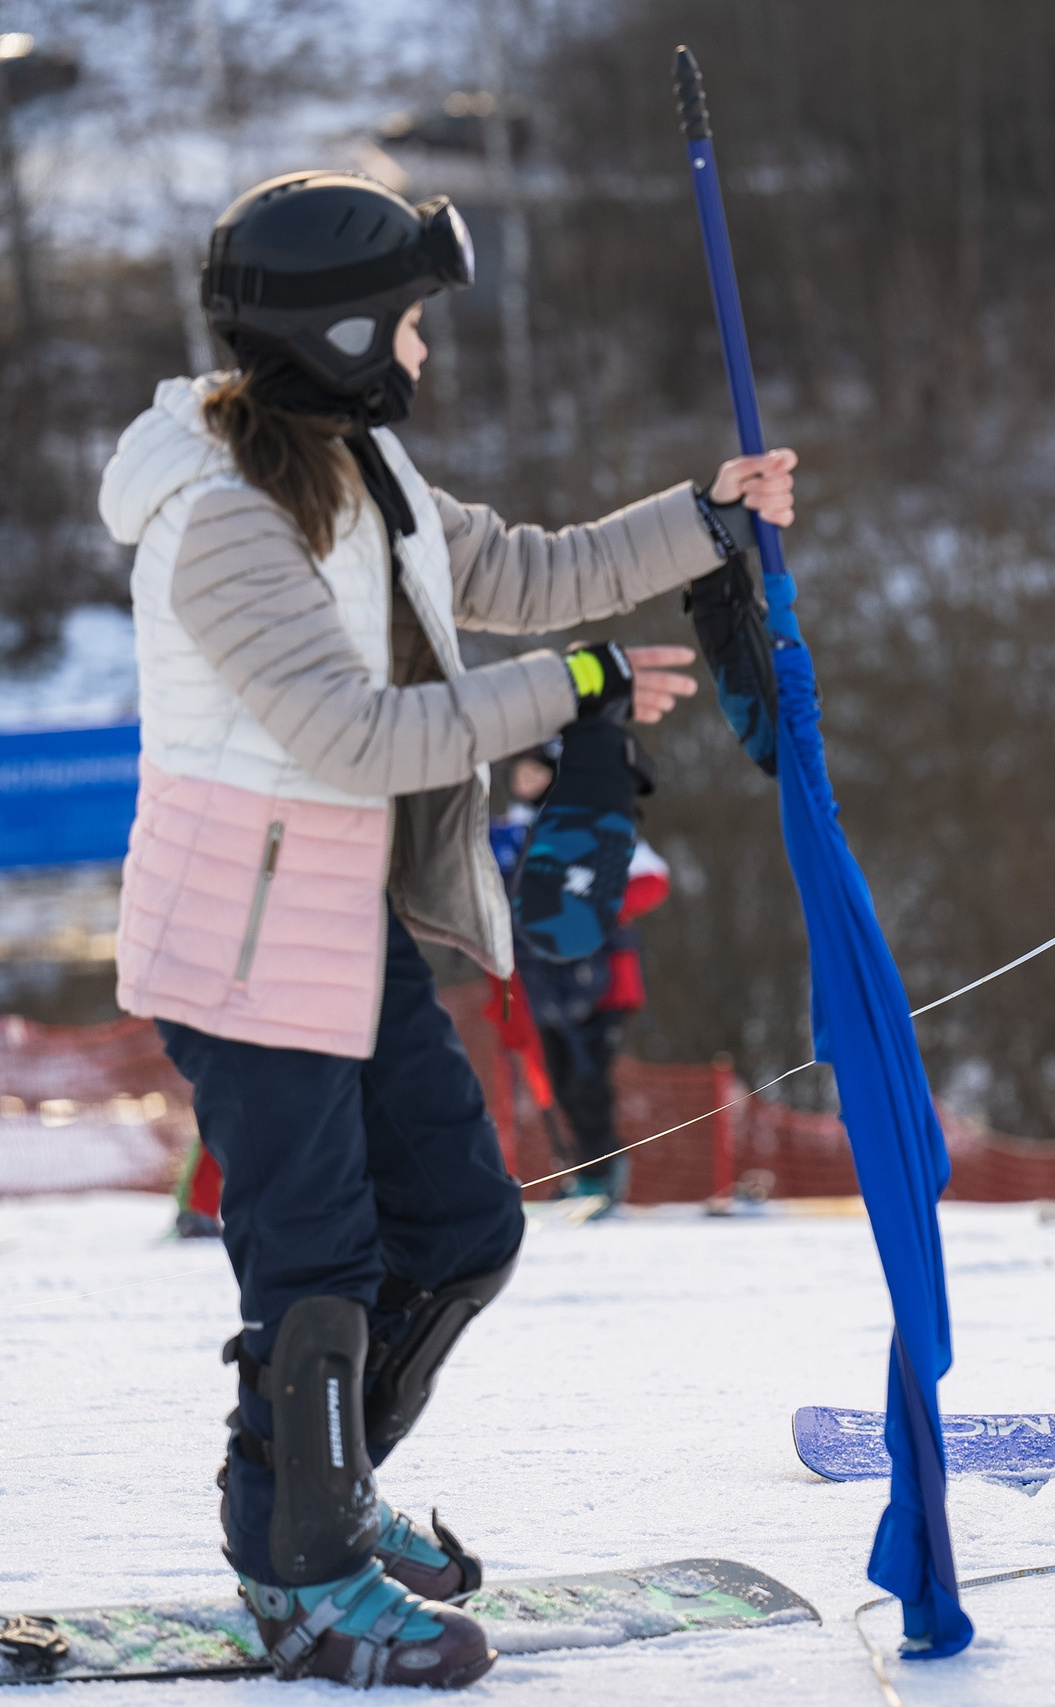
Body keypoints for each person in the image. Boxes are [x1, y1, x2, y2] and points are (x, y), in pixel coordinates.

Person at [99, 171, 797, 1687]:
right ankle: (306, 1567)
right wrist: (577, 690)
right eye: (408, 324)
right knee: (318, 1261)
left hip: (343, 915)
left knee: (465, 1227)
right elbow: (354, 734)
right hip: (241, 930)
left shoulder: (368, 473)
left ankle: (318, 1489)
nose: (422, 350)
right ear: (343, 333)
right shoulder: (217, 522)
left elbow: (528, 572)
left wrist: (702, 516)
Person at [488, 745, 674, 1213]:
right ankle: (585, 1174)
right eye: (519, 773)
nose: (524, 781)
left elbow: (652, 878)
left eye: (535, 772)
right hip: (537, 981)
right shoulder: (504, 834)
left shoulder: (587, 823)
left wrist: (591, 914)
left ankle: (604, 1174)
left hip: (601, 979)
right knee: (559, 1078)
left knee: (590, 1081)